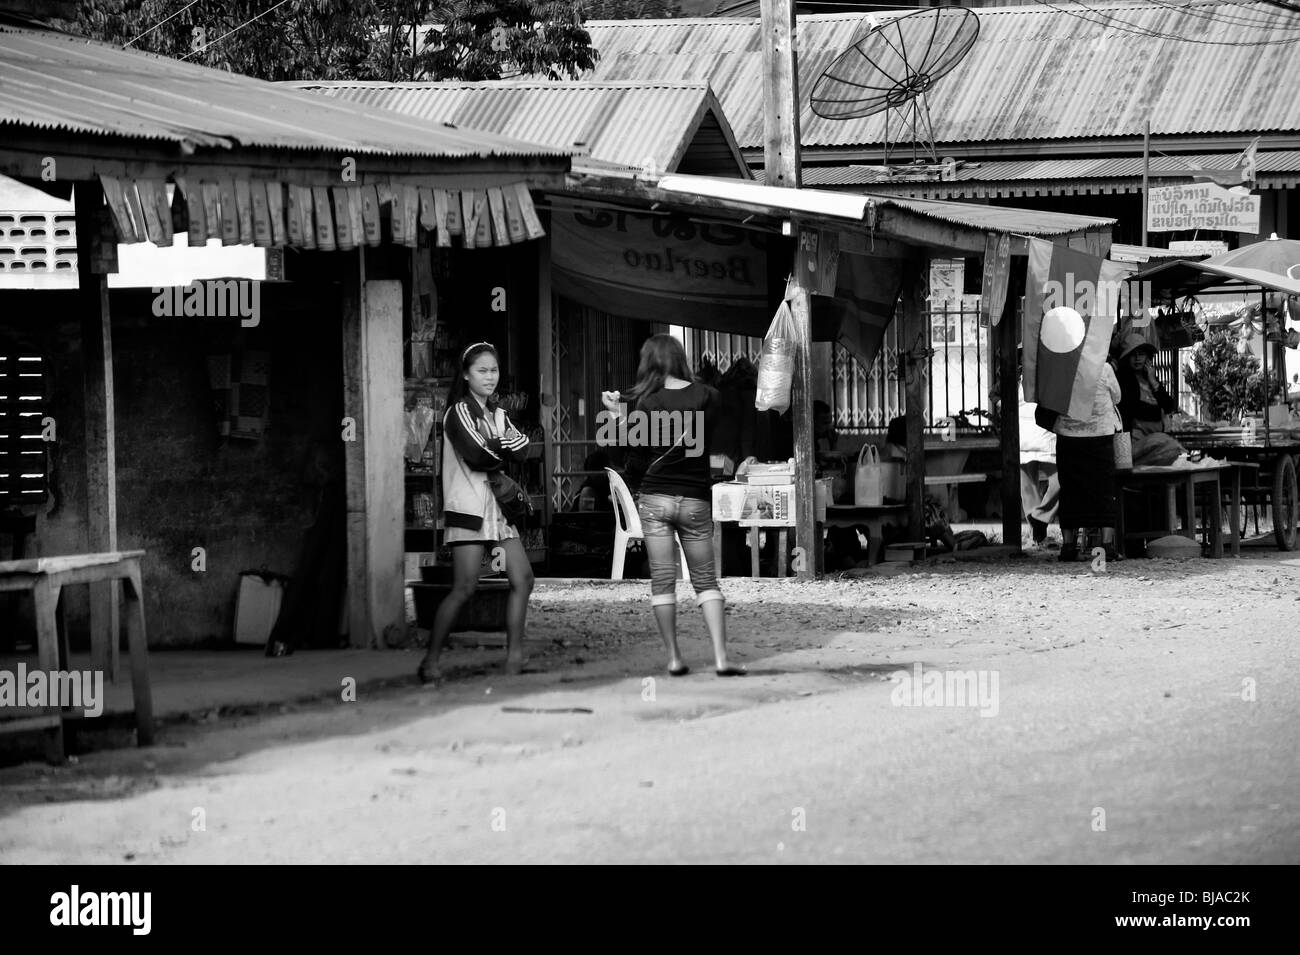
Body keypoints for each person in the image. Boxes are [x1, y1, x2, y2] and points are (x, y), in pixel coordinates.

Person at [601, 334, 746, 677]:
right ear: (681, 358)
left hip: (656, 499)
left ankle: (674, 659)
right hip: (695, 498)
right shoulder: (711, 397)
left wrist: (616, 417)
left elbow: (634, 461)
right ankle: (722, 659)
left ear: (648, 363)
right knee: (706, 582)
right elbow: (708, 440)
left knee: (663, 580)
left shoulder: (648, 404)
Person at [417, 342, 533, 684]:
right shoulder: (457, 413)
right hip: (467, 511)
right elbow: (478, 455)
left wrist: (500, 445)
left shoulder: (496, 414)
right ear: (466, 375)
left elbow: (524, 449)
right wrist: (504, 445)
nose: (489, 377)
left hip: (498, 514)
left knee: (523, 580)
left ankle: (513, 658)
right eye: (482, 370)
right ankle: (430, 661)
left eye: (493, 370)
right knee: (465, 587)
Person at [1051, 360, 1123, 562]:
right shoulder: (1104, 367)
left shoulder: (1060, 366)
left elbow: (1052, 397)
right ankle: (1106, 546)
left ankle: (1068, 546)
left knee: (1070, 490)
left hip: (1067, 435)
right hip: (1099, 435)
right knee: (1103, 490)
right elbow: (1117, 397)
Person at [1019, 376, 1060, 548]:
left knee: (1056, 482)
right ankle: (1037, 532)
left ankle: (1039, 520)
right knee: (1030, 488)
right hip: (1032, 435)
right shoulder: (1053, 373)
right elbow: (995, 394)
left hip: (1041, 434)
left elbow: (995, 395)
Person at [1115, 333, 1178, 439]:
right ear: (1127, 358)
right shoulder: (1124, 378)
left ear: (1147, 358)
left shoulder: (1149, 377)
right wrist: (1158, 412)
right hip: (1134, 438)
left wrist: (1153, 382)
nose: (1137, 358)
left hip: (1156, 435)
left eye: (1141, 354)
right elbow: (1132, 408)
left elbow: (1169, 405)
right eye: (1133, 355)